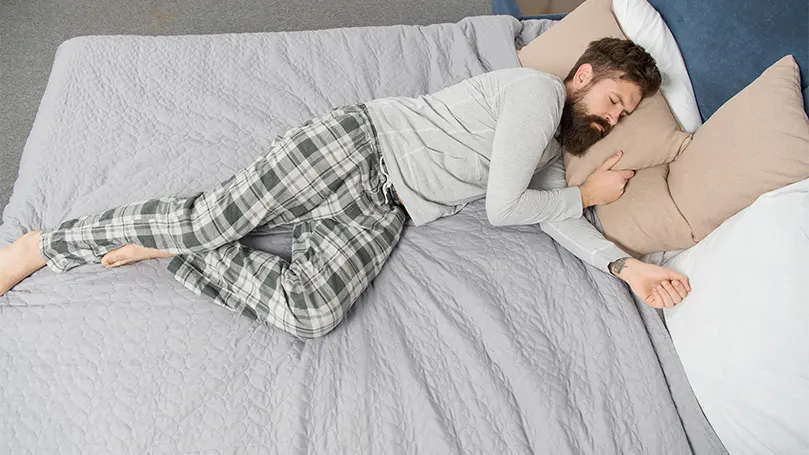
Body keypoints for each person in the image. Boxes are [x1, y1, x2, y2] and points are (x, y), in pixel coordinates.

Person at [0, 38, 691, 339]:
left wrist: (623, 264)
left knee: (312, 313)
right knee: (208, 216)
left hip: (382, 210)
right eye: (614, 99)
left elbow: (542, 212)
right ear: (582, 76)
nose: (612, 118)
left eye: (624, 115)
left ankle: (177, 246)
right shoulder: (538, 94)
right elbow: (506, 208)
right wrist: (590, 193)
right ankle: (42, 245)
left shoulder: (544, 146)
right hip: (358, 147)